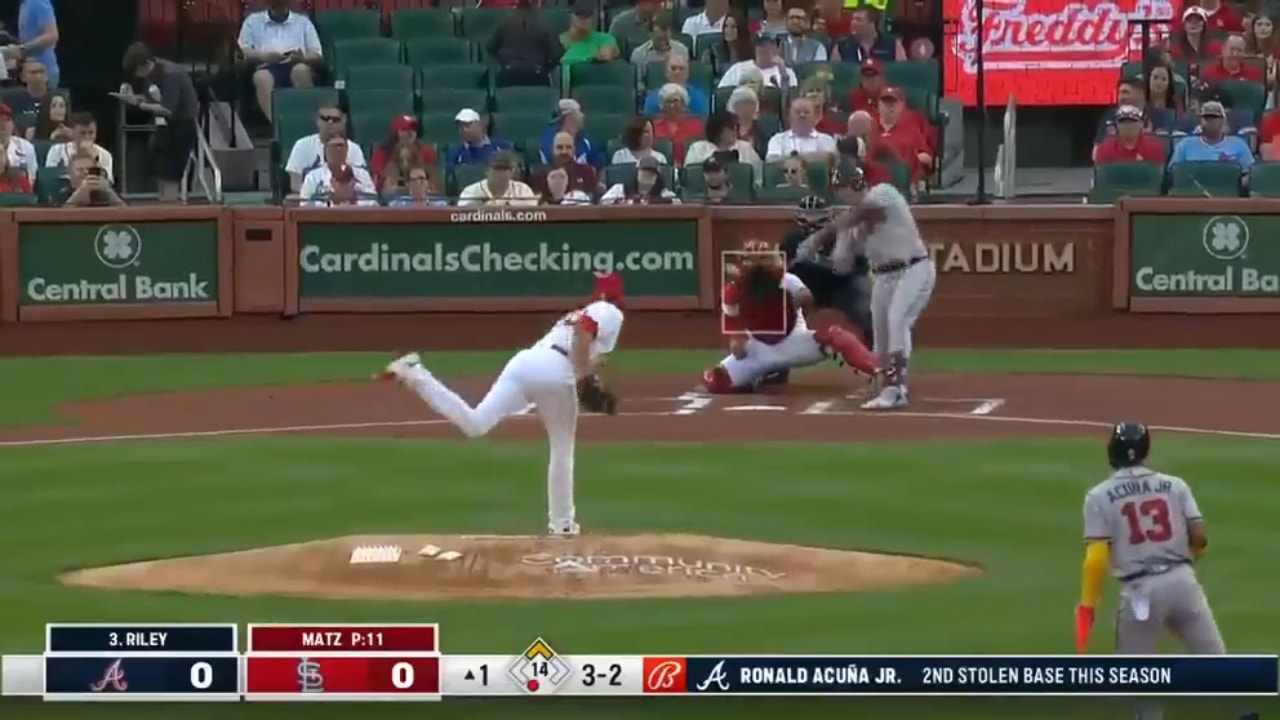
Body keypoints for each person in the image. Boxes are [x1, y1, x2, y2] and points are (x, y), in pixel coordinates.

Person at [378, 272, 629, 536]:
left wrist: (588, 375)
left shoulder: (578, 314)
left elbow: (587, 347)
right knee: (562, 447)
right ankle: (562, 524)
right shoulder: (608, 310)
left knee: (476, 424)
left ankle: (415, 373)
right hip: (555, 370)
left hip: (524, 363)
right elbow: (585, 329)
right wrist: (582, 375)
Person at [1078, 422, 1235, 720]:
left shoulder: (1099, 496)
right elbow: (1199, 536)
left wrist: (1088, 605)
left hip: (1142, 595)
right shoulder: (1175, 485)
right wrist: (1189, 558)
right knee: (1217, 662)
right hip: (1184, 583)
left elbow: (1097, 558)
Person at [803, 162, 935, 409]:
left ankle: (898, 388)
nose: (844, 191)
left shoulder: (884, 193)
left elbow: (864, 212)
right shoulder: (848, 225)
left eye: (846, 186)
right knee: (881, 332)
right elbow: (841, 265)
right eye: (841, 187)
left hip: (914, 267)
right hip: (884, 275)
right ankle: (886, 384)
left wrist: (819, 236)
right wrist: (818, 258)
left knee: (898, 321)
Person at [695, 237, 879, 394]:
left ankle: (878, 370)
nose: (759, 266)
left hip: (793, 341)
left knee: (836, 337)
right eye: (753, 261)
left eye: (762, 260)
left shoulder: (786, 280)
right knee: (714, 381)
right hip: (759, 348)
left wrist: (801, 300)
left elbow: (807, 300)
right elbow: (736, 342)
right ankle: (763, 374)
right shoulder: (732, 293)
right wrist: (737, 344)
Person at [784, 193, 873, 345]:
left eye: (816, 216)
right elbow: (784, 270)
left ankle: (877, 351)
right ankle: (776, 354)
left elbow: (862, 266)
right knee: (779, 306)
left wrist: (833, 265)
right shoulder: (792, 239)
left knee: (864, 304)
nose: (811, 221)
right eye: (807, 215)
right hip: (807, 288)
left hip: (840, 286)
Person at [121, 42, 200, 203]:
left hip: (182, 127)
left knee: (171, 177)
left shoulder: (171, 74)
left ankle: (170, 213)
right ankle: (163, 206)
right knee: (161, 175)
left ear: (147, 64)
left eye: (138, 71)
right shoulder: (152, 74)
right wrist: (132, 98)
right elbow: (152, 100)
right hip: (165, 127)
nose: (138, 76)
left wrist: (139, 104)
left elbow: (167, 108)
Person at [238, 0, 322, 123]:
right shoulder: (252, 21)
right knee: (261, 77)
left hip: (295, 64)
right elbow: (242, 50)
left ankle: (305, 120)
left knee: (301, 70)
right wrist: (264, 56)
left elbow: (317, 54)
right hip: (266, 66)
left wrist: (302, 57)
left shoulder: (303, 22)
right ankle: (278, 125)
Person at [285, 104, 366, 192]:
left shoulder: (354, 149)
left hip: (347, 201)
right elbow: (295, 185)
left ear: (344, 121)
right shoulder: (302, 145)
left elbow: (362, 182)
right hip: (312, 200)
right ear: (318, 121)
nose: (330, 122)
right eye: (325, 118)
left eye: (335, 120)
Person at [1169, 101, 1253, 179]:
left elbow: (1250, 174)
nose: (1210, 122)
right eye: (1206, 118)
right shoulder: (1185, 145)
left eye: (1215, 117)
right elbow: (1172, 174)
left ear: (1223, 121)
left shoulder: (1239, 144)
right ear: (1200, 121)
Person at [488, 0, 563, 87]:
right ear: (537, 4)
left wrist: (502, 62)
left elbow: (490, 48)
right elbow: (556, 54)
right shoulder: (544, 24)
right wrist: (546, 68)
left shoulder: (505, 22)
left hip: (508, 74)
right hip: (537, 75)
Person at [684, 110, 763, 181]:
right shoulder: (698, 148)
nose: (735, 130)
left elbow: (759, 175)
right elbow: (690, 177)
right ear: (718, 129)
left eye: (737, 127)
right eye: (731, 127)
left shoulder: (745, 147)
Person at [299, 135, 378, 206]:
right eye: (334, 147)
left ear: (347, 149)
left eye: (341, 146)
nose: (338, 150)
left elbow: (374, 203)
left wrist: (353, 201)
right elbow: (304, 205)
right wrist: (332, 203)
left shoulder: (362, 174)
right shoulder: (313, 177)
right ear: (325, 150)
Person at [370, 115, 438, 197]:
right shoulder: (382, 154)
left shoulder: (426, 152)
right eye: (405, 129)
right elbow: (378, 188)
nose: (411, 132)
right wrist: (410, 190)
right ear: (396, 133)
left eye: (413, 129)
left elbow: (435, 189)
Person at [559, 1, 619, 86]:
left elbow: (606, 55)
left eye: (587, 16)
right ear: (571, 16)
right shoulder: (560, 41)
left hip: (595, 84)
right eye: (579, 15)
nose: (583, 19)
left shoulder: (605, 39)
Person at [45, 113, 114, 183]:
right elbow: (49, 178)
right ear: (73, 132)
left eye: (91, 133)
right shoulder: (56, 150)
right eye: (82, 133)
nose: (87, 137)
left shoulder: (105, 155)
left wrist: (92, 159)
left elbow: (108, 182)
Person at [457, 151, 539, 206]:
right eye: (497, 168)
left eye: (505, 168)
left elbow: (534, 217)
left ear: (512, 172)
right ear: (487, 171)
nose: (501, 173)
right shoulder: (470, 192)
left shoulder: (523, 190)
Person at [539, 99, 603, 170]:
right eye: (579, 111)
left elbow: (599, 167)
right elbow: (555, 161)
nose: (582, 116)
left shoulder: (587, 140)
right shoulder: (549, 139)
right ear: (569, 116)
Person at [717, 33, 797, 89]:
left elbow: (791, 99)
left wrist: (783, 72)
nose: (763, 49)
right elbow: (721, 94)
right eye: (760, 45)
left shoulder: (787, 72)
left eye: (768, 45)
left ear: (778, 49)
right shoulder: (737, 68)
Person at [1093, 105, 1167, 165]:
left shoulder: (1154, 148)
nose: (1128, 125)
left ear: (1141, 124)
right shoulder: (1105, 149)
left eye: (1133, 121)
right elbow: (1102, 178)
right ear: (1117, 124)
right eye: (1123, 121)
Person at [10, 0, 60, 88]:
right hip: (28, 70)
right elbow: (28, 38)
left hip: (43, 71)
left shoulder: (39, 2)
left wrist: (21, 49)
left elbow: (52, 35)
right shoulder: (24, 4)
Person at [642, 55, 711, 116]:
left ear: (687, 73)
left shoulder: (700, 98)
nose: (677, 72)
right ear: (666, 73)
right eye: (673, 68)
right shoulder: (652, 98)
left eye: (681, 69)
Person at [651, 84, 704, 163]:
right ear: (662, 104)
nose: (672, 105)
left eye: (675, 101)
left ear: (683, 103)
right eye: (668, 101)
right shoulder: (653, 126)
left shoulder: (697, 126)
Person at [831, 7, 906, 63]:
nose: (853, 23)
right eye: (853, 19)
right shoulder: (841, 46)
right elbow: (834, 73)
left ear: (872, 23)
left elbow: (903, 72)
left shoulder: (893, 44)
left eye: (858, 20)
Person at [446, 108, 512, 169]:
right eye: (460, 127)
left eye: (467, 125)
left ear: (479, 125)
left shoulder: (501, 146)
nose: (464, 130)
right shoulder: (454, 151)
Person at [599, 155, 679, 203]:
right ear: (637, 173)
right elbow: (602, 205)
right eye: (644, 171)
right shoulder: (619, 189)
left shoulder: (666, 194)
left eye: (652, 173)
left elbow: (679, 207)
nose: (647, 175)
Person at [60, 151, 124, 207]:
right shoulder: (62, 193)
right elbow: (59, 217)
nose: (85, 172)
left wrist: (108, 192)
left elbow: (126, 212)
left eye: (89, 169)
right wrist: (79, 194)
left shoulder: (105, 192)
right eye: (80, 169)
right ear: (70, 174)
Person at [10, 60, 52, 133]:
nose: (38, 76)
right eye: (33, 73)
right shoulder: (14, 100)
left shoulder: (56, 98)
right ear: (23, 77)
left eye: (41, 72)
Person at [0, 104, 38, 180]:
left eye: (7, 120)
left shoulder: (26, 147)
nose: (2, 124)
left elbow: (32, 178)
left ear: (13, 125)